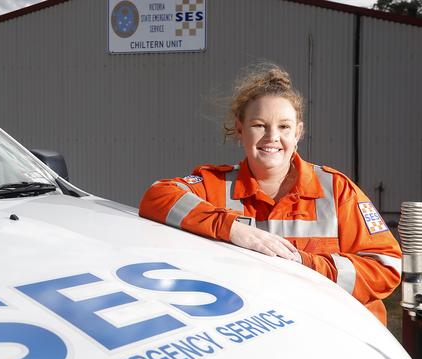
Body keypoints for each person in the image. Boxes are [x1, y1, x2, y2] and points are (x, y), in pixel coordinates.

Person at [139, 64, 402, 325]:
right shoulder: (216, 185)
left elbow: (385, 267)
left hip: (335, 335)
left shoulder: (336, 189)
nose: (272, 137)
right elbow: (157, 196)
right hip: (257, 337)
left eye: (284, 127)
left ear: (298, 133)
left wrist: (305, 264)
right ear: (240, 129)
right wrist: (232, 229)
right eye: (259, 125)